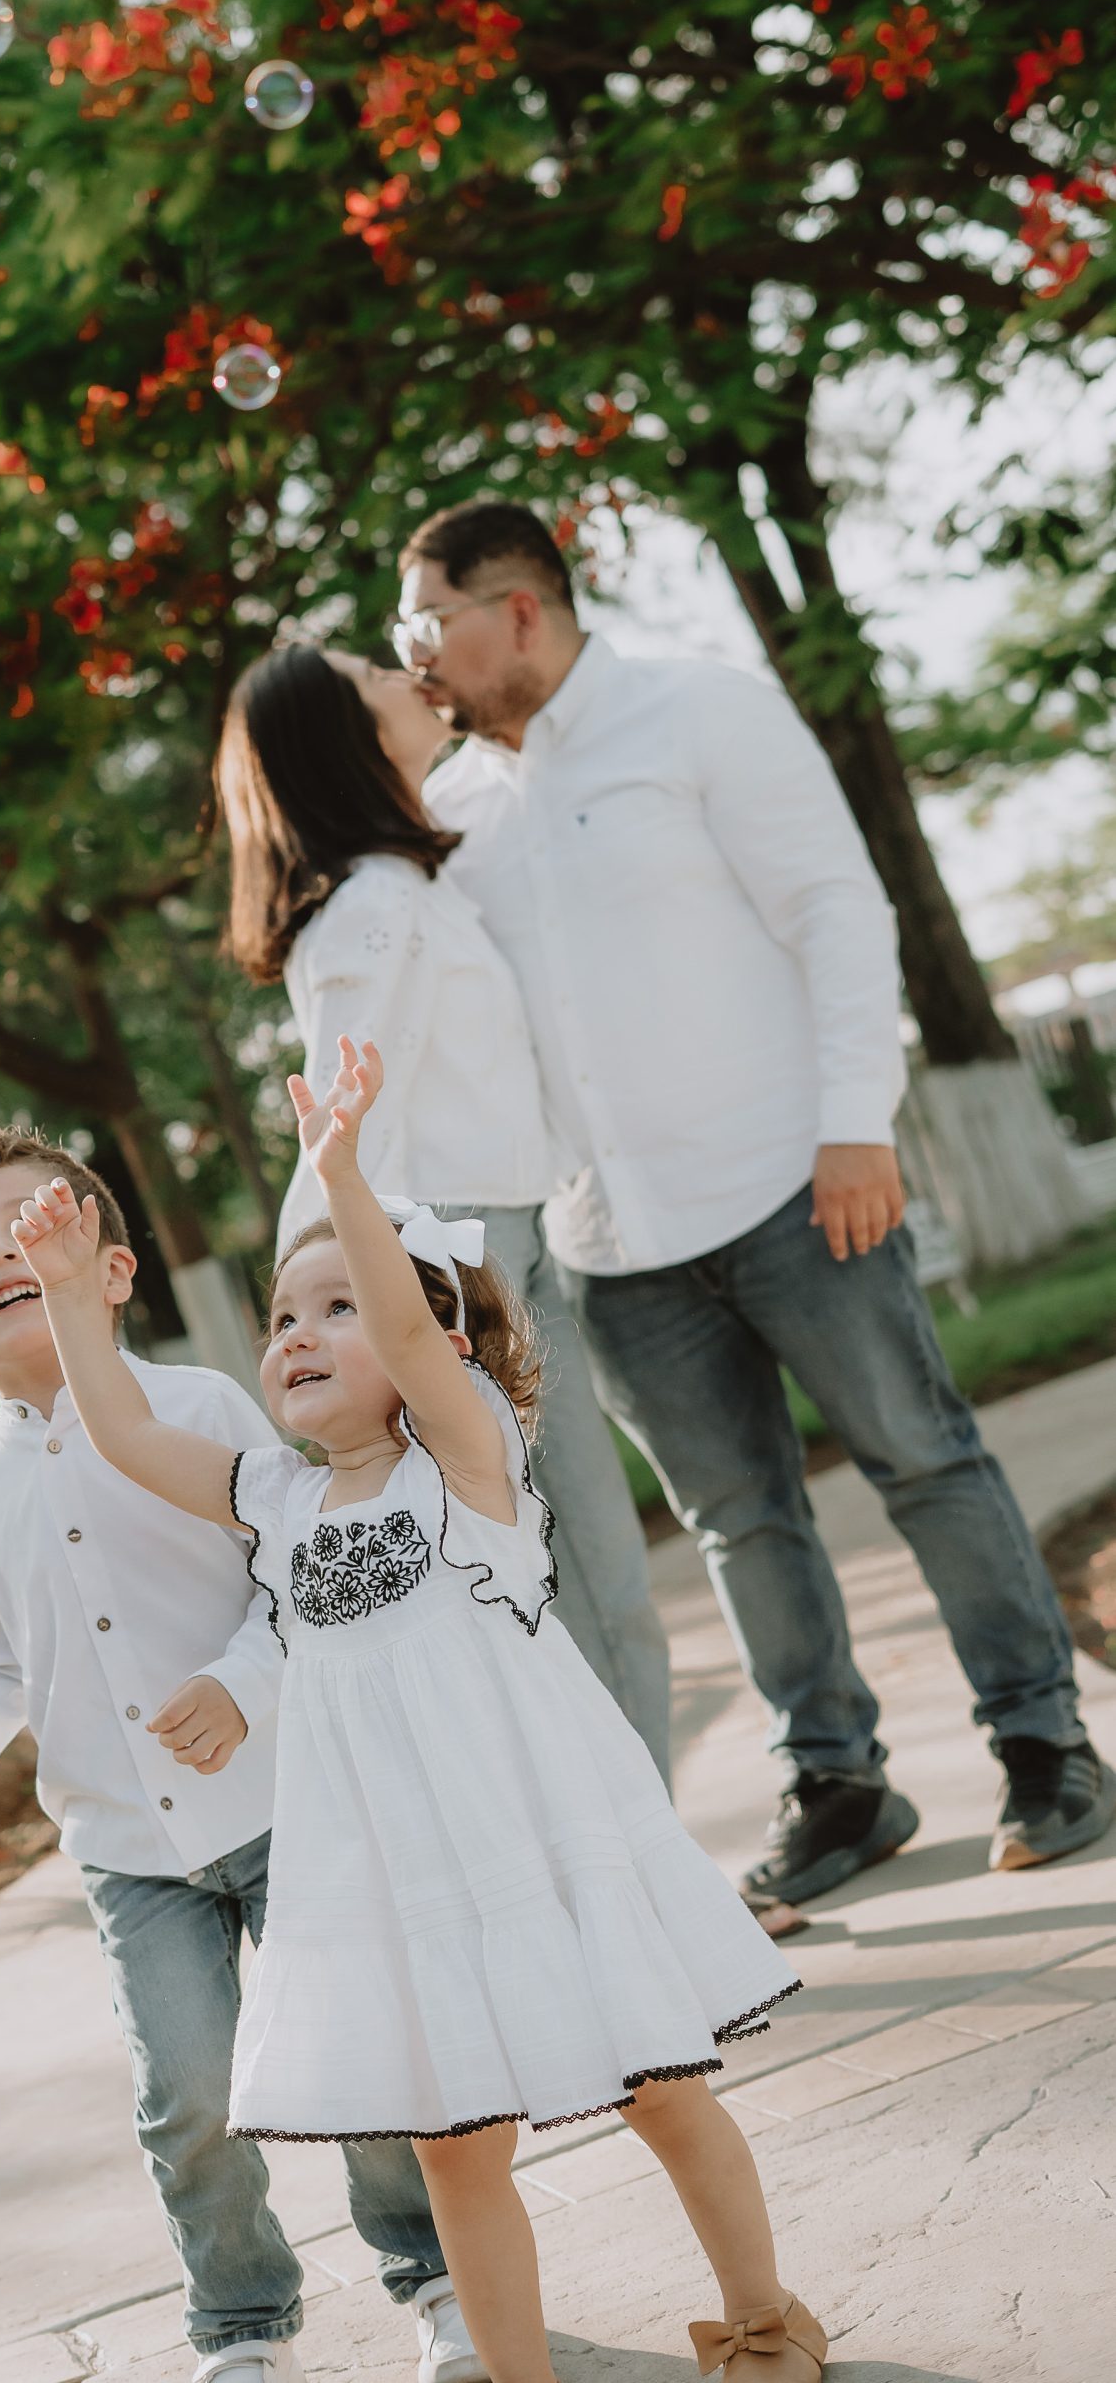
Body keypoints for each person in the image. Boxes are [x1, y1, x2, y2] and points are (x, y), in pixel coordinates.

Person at [10, 1040, 823, 2383]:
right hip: (401, 1882)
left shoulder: (468, 1463)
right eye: (282, 1315)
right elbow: (129, 1439)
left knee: (661, 2093)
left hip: (538, 1843)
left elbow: (401, 1334)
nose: (296, 1333)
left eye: (336, 1306)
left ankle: (761, 2318)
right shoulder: (276, 1501)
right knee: (452, 2152)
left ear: (442, 1344)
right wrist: (67, 1302)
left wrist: (339, 1174)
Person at [394, 496, 1115, 1900]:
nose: (414, 651)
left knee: (922, 1456)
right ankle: (836, 1781)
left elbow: (835, 908)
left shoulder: (699, 712)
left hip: (793, 1184)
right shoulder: (448, 813)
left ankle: (1043, 1740)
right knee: (735, 1518)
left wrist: (855, 1123)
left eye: (426, 619)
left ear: (518, 608)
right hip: (609, 1244)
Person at [0, 1125, 479, 2383]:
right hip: (130, 1852)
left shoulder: (202, 1408)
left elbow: (296, 1578)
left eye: (31, 1223)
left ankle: (436, 2273)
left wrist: (241, 1685)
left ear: (111, 1269)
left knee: (359, 2050)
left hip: (288, 1806)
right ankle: (242, 2324)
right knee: (188, 2098)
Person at [216, 637, 673, 1784]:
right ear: (349, 737)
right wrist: (333, 1308)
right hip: (456, 1256)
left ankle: (627, 1845)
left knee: (567, 1567)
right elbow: (339, 1131)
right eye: (377, 677)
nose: (409, 678)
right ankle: (638, 1858)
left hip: (491, 1238)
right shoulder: (376, 904)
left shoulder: (403, 883)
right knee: (575, 1571)